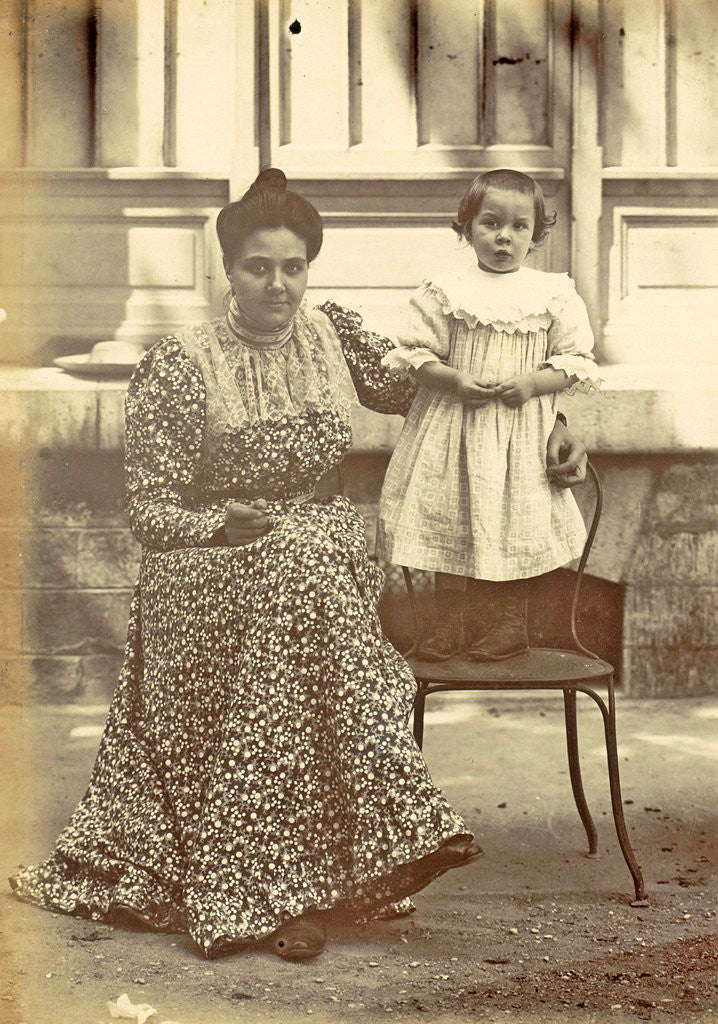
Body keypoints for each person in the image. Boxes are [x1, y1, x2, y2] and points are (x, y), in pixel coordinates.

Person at [9, 169, 586, 962]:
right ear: (228, 270)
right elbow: (150, 515)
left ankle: (303, 882)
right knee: (302, 571)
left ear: (310, 270)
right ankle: (297, 880)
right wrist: (220, 521)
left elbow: (441, 386)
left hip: (308, 555)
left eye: (293, 267)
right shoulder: (181, 364)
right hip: (202, 571)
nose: (277, 285)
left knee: (309, 560)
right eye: (258, 267)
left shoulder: (333, 334)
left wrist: (554, 417)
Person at [377, 169, 600, 662]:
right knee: (449, 518)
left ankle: (507, 623)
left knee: (510, 523)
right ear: (467, 227)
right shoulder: (444, 290)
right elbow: (416, 355)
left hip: (519, 436)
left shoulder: (553, 293)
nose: (504, 237)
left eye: (520, 227)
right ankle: (446, 623)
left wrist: (532, 383)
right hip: (452, 428)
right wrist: (454, 380)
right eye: (491, 223)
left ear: (537, 234)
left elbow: (574, 361)